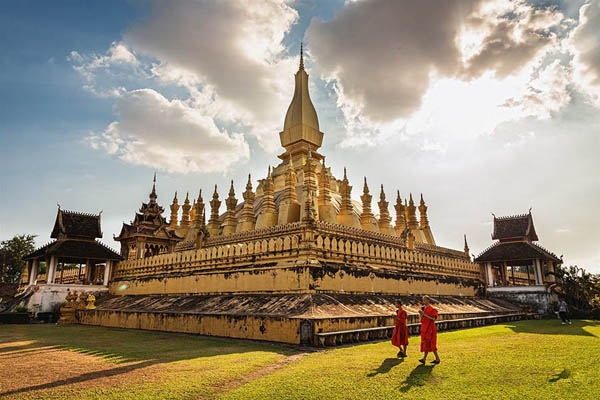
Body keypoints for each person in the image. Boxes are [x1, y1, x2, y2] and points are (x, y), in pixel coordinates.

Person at [418, 296, 441, 365]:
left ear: (428, 300)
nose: (424, 301)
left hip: (430, 328)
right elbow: (421, 319)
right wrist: (421, 314)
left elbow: (434, 319)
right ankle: (426, 358)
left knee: (431, 343)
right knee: (426, 343)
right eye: (423, 300)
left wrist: (424, 314)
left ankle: (435, 358)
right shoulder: (424, 309)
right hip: (424, 327)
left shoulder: (432, 309)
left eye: (425, 300)